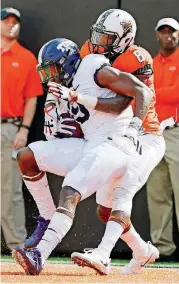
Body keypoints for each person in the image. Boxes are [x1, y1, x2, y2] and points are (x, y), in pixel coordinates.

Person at [12, 32, 153, 275]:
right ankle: (46, 220)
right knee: (27, 156)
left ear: (66, 63)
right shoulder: (61, 89)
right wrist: (59, 119)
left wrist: (133, 128)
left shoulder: (91, 65)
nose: (50, 77)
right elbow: (60, 133)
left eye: (53, 69)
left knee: (71, 189)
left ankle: (39, 254)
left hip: (115, 143)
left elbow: (136, 94)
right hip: (91, 143)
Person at [69, 9, 166, 274]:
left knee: (124, 187)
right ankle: (142, 251)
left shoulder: (137, 57)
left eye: (107, 37)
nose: (98, 42)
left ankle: (103, 254)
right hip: (114, 132)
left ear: (124, 39)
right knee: (105, 210)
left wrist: (133, 127)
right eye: (98, 34)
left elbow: (128, 99)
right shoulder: (89, 49)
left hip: (144, 133)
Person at [1, 7, 43, 251]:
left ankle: (18, 246)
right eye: (6, 21)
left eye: (15, 22)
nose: (11, 25)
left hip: (10, 128)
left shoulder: (26, 58)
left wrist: (24, 129)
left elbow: (32, 98)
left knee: (10, 191)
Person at [147, 17, 179, 261]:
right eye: (164, 32)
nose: (168, 36)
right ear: (157, 35)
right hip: (153, 132)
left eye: (173, 32)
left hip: (176, 132)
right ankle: (163, 248)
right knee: (157, 193)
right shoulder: (151, 63)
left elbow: (175, 94)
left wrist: (152, 93)